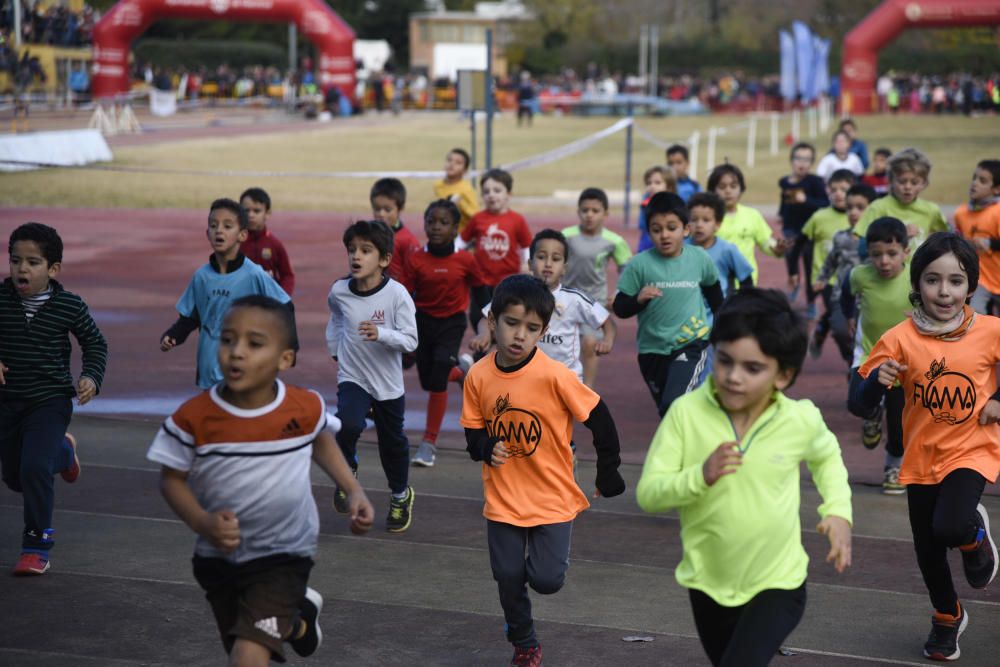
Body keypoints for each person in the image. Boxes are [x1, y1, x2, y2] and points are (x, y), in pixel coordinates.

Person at [149, 296, 375, 666]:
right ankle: (299, 623)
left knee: (247, 656)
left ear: (285, 359)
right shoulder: (194, 417)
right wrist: (202, 522)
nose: (237, 352)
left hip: (284, 555)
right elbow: (170, 480)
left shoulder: (304, 407)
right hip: (218, 560)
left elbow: (320, 439)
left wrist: (353, 491)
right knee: (244, 638)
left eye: (254, 344)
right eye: (227, 340)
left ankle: (289, 613)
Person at [636, 287, 852, 667]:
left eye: (753, 368)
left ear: (783, 375)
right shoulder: (686, 414)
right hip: (706, 583)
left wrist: (837, 511)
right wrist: (699, 476)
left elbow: (828, 458)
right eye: (725, 361)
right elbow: (650, 494)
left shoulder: (798, 418)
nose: (734, 377)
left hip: (778, 583)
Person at [460, 274, 626, 667]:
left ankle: (535, 585)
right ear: (493, 321)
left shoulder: (555, 375)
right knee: (506, 574)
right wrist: (485, 447)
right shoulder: (479, 375)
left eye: (532, 328)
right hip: (503, 496)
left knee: (547, 581)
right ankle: (524, 640)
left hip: (551, 495)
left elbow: (599, 417)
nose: (520, 335)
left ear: (544, 331)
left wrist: (609, 471)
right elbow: (472, 430)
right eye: (511, 323)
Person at [850, 233, 1000, 661]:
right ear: (917, 284)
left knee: (949, 525)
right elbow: (857, 401)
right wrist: (872, 385)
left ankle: (972, 535)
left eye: (956, 281)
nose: (945, 291)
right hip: (921, 456)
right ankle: (947, 615)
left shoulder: (991, 331)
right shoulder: (899, 338)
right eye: (933, 280)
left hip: (973, 448)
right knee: (927, 549)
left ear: (970, 286)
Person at [1, 223, 108, 576]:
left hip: (50, 400)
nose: (21, 269)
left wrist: (91, 376)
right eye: (16, 260)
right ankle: (62, 452)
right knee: (17, 477)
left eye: (33, 262)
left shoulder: (68, 305)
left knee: (33, 470)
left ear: (53, 269)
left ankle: (36, 545)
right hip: (8, 402)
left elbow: (95, 344)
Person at [326, 220, 418, 532]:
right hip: (353, 375)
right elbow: (336, 319)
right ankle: (347, 469)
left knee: (392, 443)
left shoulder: (397, 295)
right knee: (348, 423)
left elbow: (411, 340)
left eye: (366, 251)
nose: (356, 256)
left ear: (384, 260)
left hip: (388, 384)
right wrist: (335, 348)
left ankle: (400, 495)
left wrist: (382, 334)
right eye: (352, 250)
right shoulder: (339, 291)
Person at [161, 198, 291, 390]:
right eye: (213, 226)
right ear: (207, 234)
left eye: (227, 226)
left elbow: (285, 307)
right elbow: (191, 317)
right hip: (208, 368)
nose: (219, 230)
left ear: (242, 235)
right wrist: (174, 335)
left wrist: (287, 347)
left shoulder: (254, 274)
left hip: (243, 368)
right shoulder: (201, 277)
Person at [614, 192, 723, 417]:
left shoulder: (699, 258)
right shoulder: (639, 265)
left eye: (671, 228)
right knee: (668, 413)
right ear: (649, 232)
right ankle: (688, 446)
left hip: (691, 344)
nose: (664, 235)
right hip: (651, 351)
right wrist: (638, 299)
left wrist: (720, 331)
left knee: (674, 405)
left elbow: (715, 293)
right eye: (656, 229)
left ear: (686, 229)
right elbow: (620, 307)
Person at [400, 200, 485, 467]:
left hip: (452, 323)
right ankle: (460, 370)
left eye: (443, 223)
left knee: (437, 376)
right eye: (431, 222)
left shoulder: (465, 260)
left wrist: (485, 325)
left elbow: (482, 293)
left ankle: (428, 443)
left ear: (455, 228)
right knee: (429, 380)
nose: (436, 227)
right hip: (422, 322)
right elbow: (404, 299)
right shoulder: (415, 260)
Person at [471, 229, 615, 385]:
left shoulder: (575, 299)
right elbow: (486, 318)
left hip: (564, 380)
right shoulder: (516, 291)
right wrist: (484, 334)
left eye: (556, 259)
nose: (548, 264)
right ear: (530, 264)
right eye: (541, 257)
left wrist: (607, 340)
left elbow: (607, 322)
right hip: (524, 377)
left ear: (565, 268)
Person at [845, 217, 912, 494]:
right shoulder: (860, 275)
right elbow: (847, 296)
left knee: (899, 426)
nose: (884, 261)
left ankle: (893, 465)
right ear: (868, 254)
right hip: (869, 354)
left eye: (892, 254)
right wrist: (850, 315)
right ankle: (872, 413)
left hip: (904, 362)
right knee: (856, 403)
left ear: (906, 252)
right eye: (876, 255)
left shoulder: (916, 277)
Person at [562, 187, 631, 387]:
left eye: (595, 210)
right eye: (585, 210)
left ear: (606, 214)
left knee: (590, 343)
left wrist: (619, 293)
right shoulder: (567, 236)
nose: (589, 215)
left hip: (595, 302)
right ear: (578, 212)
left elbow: (626, 270)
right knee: (565, 346)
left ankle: (587, 389)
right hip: (567, 301)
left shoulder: (614, 241)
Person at [459, 168, 532, 334]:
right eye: (486, 192)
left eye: (497, 190)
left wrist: (527, 263)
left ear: (509, 194)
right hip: (481, 282)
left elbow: (527, 245)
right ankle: (481, 354)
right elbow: (461, 241)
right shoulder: (478, 219)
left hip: (508, 282)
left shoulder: (517, 220)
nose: (491, 195)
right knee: (480, 320)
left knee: (506, 322)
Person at [812, 183, 877, 364]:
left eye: (860, 208)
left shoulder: (878, 239)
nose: (853, 213)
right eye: (849, 208)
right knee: (841, 331)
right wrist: (822, 278)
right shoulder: (841, 237)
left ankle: (865, 365)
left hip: (870, 298)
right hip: (842, 295)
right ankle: (852, 362)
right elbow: (831, 260)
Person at [802, 169, 855, 359]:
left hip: (851, 277)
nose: (838, 193)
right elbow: (805, 241)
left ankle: (821, 329)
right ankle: (851, 361)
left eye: (844, 189)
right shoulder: (819, 217)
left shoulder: (859, 216)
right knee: (838, 312)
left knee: (844, 312)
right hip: (827, 279)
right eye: (834, 190)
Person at [854, 148, 948, 252]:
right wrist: (900, 235)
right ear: (890, 180)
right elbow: (859, 245)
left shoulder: (931, 210)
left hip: (918, 268)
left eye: (914, 182)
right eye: (902, 181)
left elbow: (948, 240)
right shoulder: (877, 207)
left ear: (924, 183)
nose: (907, 187)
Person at [710, 163, 786, 285]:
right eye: (722, 187)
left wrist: (777, 249)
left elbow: (766, 242)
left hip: (746, 284)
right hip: (715, 285)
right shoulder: (707, 218)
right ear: (712, 190)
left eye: (733, 186)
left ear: (741, 189)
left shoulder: (752, 215)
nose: (728, 191)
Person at [777, 142, 829, 308]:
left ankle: (811, 302)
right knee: (791, 259)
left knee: (809, 267)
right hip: (790, 228)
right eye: (799, 158)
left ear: (812, 162)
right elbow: (784, 201)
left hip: (810, 233)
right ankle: (794, 284)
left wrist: (806, 200)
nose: (802, 163)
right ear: (791, 160)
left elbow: (824, 204)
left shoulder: (815, 182)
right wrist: (781, 213)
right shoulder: (785, 182)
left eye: (807, 159)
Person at [954, 159, 1000, 316]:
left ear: (996, 189)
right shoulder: (961, 213)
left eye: (982, 180)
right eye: (974, 178)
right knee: (975, 316)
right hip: (981, 281)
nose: (975, 183)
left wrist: (990, 243)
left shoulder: (997, 212)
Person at [687, 192, 753, 298]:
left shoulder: (727, 250)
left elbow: (746, 281)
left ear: (717, 224)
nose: (699, 225)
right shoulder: (680, 248)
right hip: (688, 312)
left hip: (718, 312)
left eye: (706, 220)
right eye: (694, 220)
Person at [239, 187, 295, 296]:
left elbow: (287, 275)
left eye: (257, 211)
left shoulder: (274, 244)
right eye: (246, 210)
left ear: (267, 213)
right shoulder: (235, 243)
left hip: (268, 302)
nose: (251, 215)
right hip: (241, 302)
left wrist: (282, 298)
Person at [370, 178, 421, 282]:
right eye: (377, 209)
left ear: (400, 208)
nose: (381, 214)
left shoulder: (407, 241)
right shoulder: (368, 235)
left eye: (387, 210)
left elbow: (415, 274)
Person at [432, 148, 480, 232]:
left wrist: (461, 204)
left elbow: (476, 216)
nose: (452, 164)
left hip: (462, 235)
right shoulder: (438, 186)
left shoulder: (467, 189)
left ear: (465, 170)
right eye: (449, 160)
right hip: (445, 233)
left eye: (458, 163)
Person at [636, 165, 677, 253]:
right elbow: (642, 225)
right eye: (649, 183)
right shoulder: (645, 203)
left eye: (657, 183)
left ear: (669, 187)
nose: (652, 186)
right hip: (647, 244)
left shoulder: (675, 204)